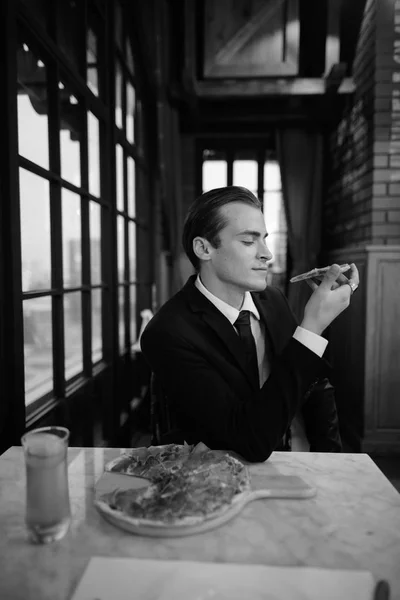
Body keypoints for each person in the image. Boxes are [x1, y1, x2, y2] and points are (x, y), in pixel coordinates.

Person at [141, 186, 359, 462]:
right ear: (203, 248)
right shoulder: (167, 333)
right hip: (219, 476)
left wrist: (332, 463)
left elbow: (314, 386)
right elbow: (248, 440)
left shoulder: (272, 299)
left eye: (264, 240)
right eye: (248, 241)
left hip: (295, 461)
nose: (267, 254)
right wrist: (311, 328)